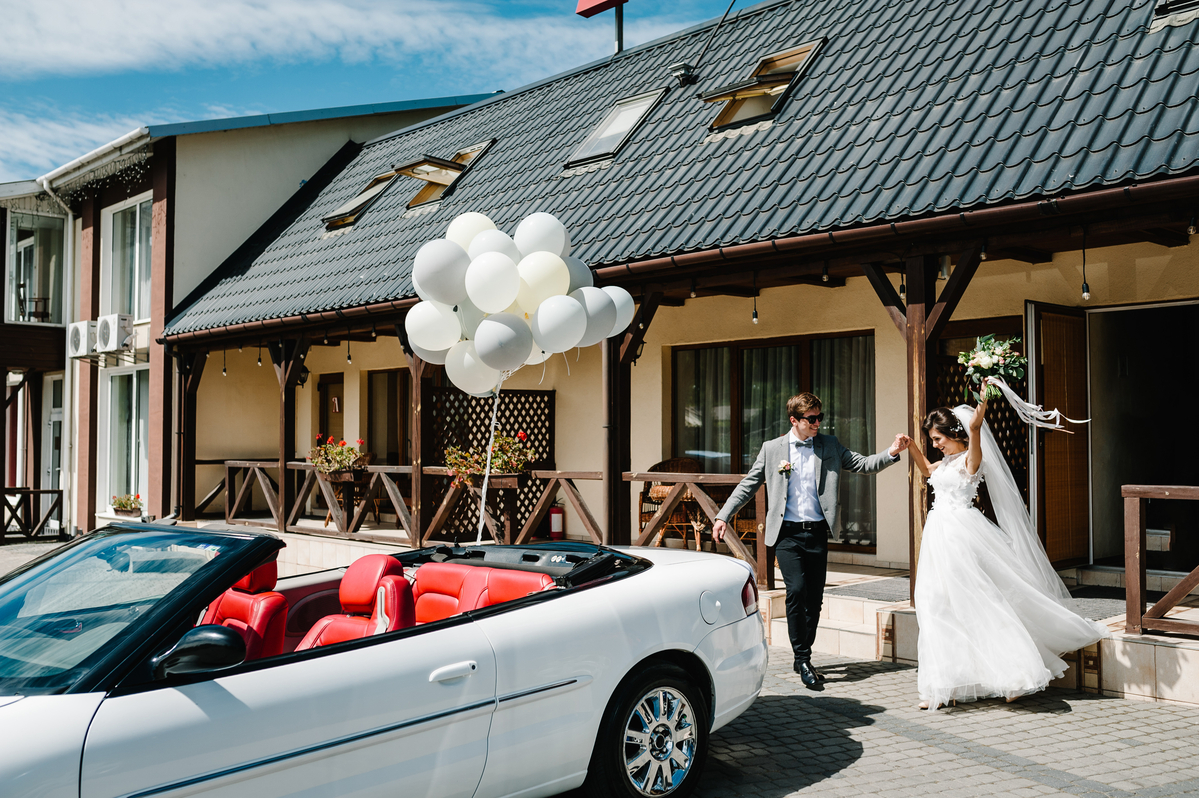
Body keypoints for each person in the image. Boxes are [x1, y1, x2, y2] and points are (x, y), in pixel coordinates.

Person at [905, 395, 1107, 710]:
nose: (935, 445)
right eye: (932, 440)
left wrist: (982, 403)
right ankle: (946, 683)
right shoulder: (944, 463)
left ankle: (1017, 675)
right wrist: (912, 448)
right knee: (938, 605)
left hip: (962, 537)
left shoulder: (971, 459)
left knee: (979, 602)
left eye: (937, 439)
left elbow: (974, 427)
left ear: (955, 434)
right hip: (938, 539)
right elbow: (928, 471)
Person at [712, 392, 908, 689]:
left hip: (816, 532)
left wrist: (892, 451)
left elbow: (863, 464)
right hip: (787, 534)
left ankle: (802, 652)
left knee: (814, 600)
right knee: (797, 591)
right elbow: (749, 484)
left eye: (820, 418)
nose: (817, 423)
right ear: (795, 420)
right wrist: (723, 515)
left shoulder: (829, 445)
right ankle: (803, 657)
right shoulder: (772, 448)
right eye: (811, 419)